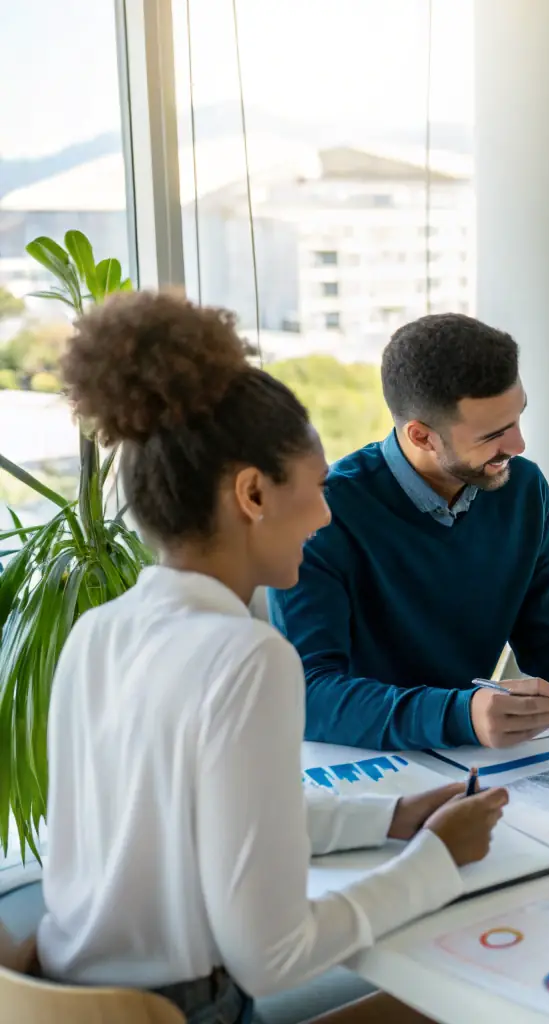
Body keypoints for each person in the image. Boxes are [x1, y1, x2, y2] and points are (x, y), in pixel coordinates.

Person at [38, 292, 508, 1023]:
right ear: (253, 494)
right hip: (192, 1009)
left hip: (75, 997)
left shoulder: (99, 630)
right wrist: (438, 859)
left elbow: (219, 821)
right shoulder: (247, 657)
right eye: (317, 489)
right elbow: (274, 955)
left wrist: (391, 817)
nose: (325, 515)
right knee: (472, 1001)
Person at [269, 313, 549, 752]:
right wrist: (462, 713)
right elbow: (309, 695)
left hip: (473, 757)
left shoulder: (523, 489)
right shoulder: (324, 512)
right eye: (494, 434)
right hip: (360, 766)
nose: (519, 445)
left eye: (518, 417)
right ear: (422, 436)